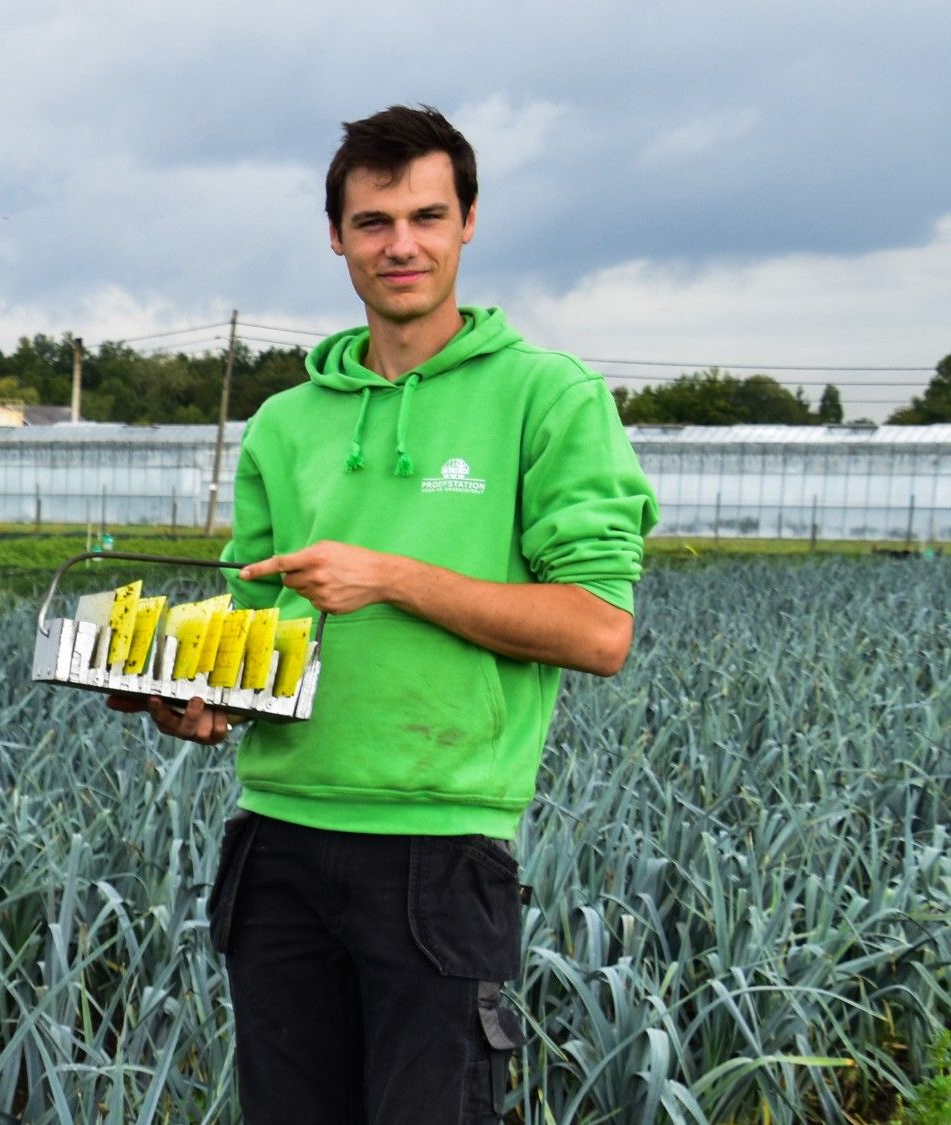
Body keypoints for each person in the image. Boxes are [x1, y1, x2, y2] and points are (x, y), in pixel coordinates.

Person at [109, 105, 658, 1122]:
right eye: (371, 222)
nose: (399, 244)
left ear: (467, 223)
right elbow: (255, 643)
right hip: (274, 847)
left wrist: (394, 577)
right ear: (335, 236)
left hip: (437, 856)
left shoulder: (548, 398)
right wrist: (195, 702)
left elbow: (596, 630)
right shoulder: (286, 422)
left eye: (424, 216)